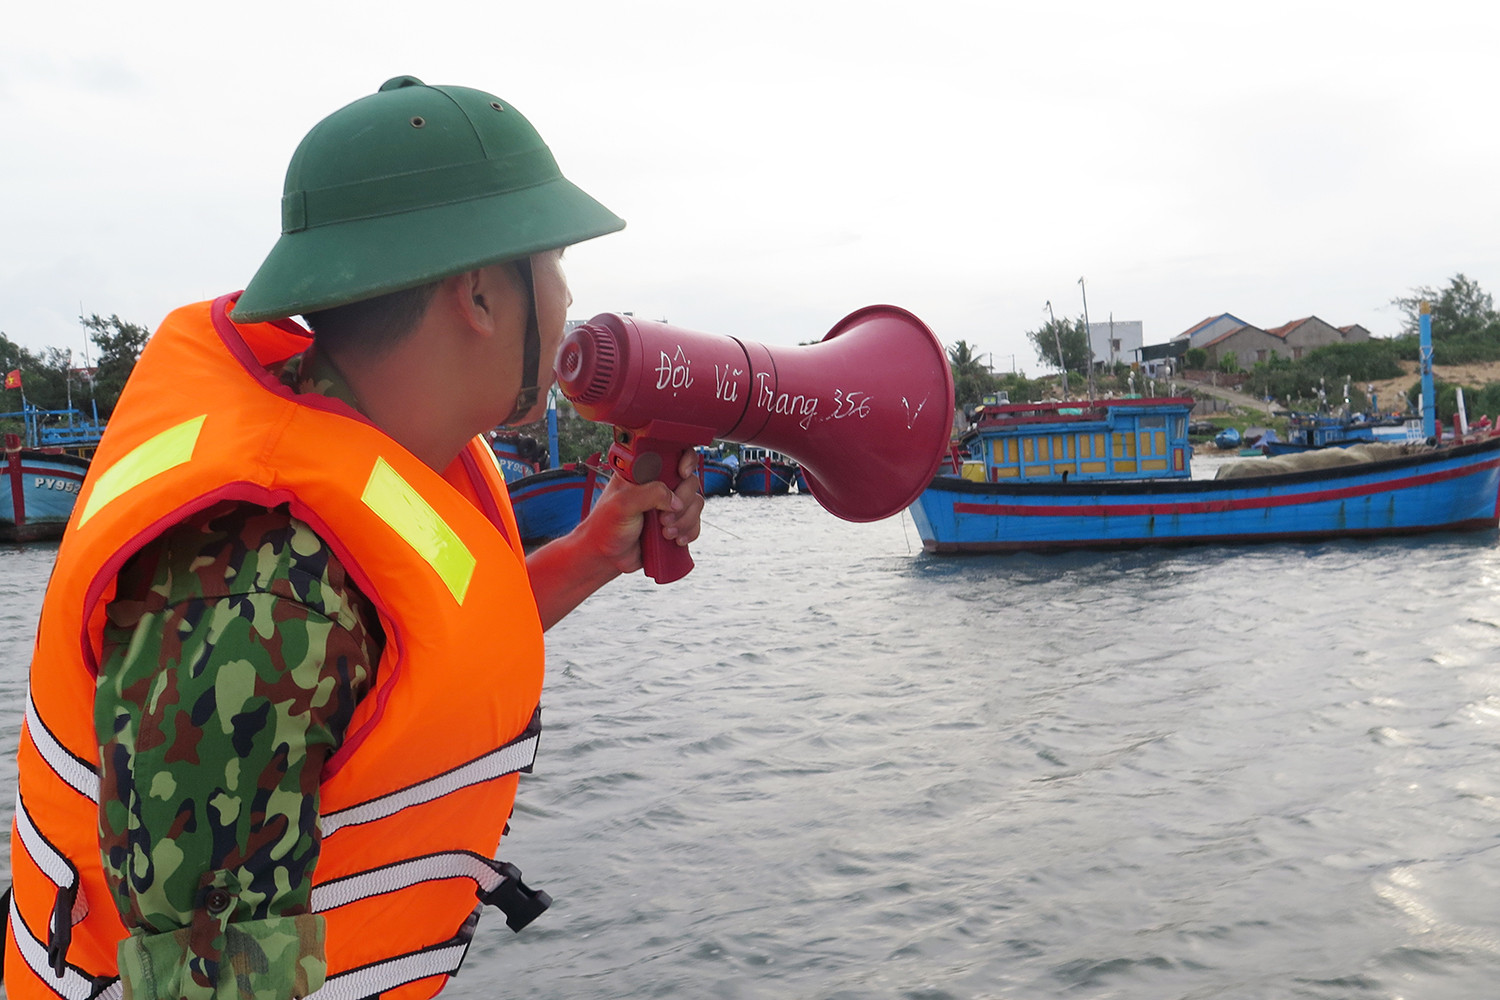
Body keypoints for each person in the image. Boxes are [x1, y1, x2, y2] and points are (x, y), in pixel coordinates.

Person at [6, 76, 703, 1000]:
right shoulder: (258, 582)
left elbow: (384, 674)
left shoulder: (380, 475)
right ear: (482, 295)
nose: (572, 298)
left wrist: (590, 554)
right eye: (557, 261)